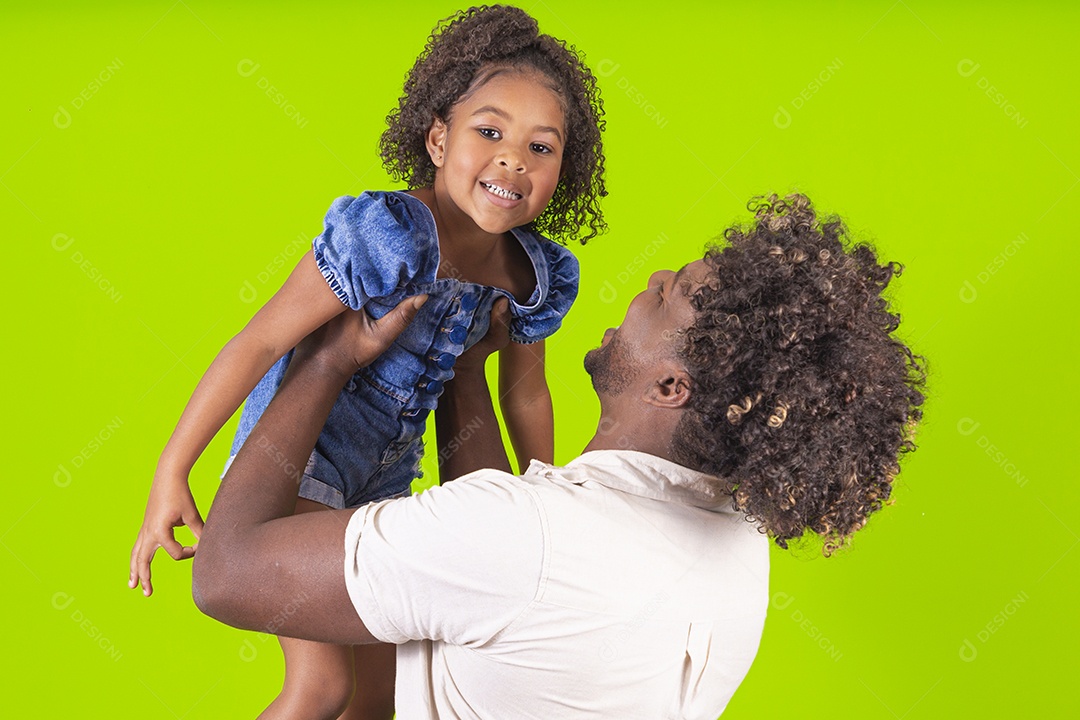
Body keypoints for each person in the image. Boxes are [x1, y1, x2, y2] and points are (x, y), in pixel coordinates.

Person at [192, 194, 926, 719]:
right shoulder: (740, 547)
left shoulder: (529, 538)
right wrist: (467, 370)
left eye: (669, 297)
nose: (647, 286)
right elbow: (490, 575)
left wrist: (325, 362)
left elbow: (227, 575)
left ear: (673, 385)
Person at [129, 6, 607, 718]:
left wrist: (550, 505)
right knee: (322, 686)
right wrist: (172, 473)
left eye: (542, 147)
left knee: (383, 699)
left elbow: (527, 394)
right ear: (438, 138)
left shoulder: (532, 277)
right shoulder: (384, 236)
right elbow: (259, 341)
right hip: (299, 465)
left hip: (384, 485)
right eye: (489, 132)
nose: (514, 158)